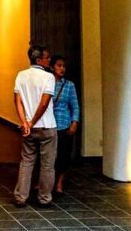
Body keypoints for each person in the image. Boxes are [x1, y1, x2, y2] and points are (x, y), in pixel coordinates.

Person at [13, 44, 57, 208]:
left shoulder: (21, 75)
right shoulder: (48, 77)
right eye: (47, 57)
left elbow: (17, 101)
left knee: (26, 161)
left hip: (28, 129)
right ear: (39, 60)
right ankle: (44, 197)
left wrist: (25, 122)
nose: (49, 59)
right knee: (47, 165)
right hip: (46, 126)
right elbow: (44, 103)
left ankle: (20, 196)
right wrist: (32, 121)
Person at [49, 55, 80, 195]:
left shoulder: (69, 85)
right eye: (59, 65)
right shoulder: (46, 83)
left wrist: (74, 122)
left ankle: (59, 182)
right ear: (52, 67)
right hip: (49, 124)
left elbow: (75, 106)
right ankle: (44, 181)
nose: (62, 69)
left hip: (64, 124)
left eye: (64, 66)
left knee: (64, 155)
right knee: (48, 155)